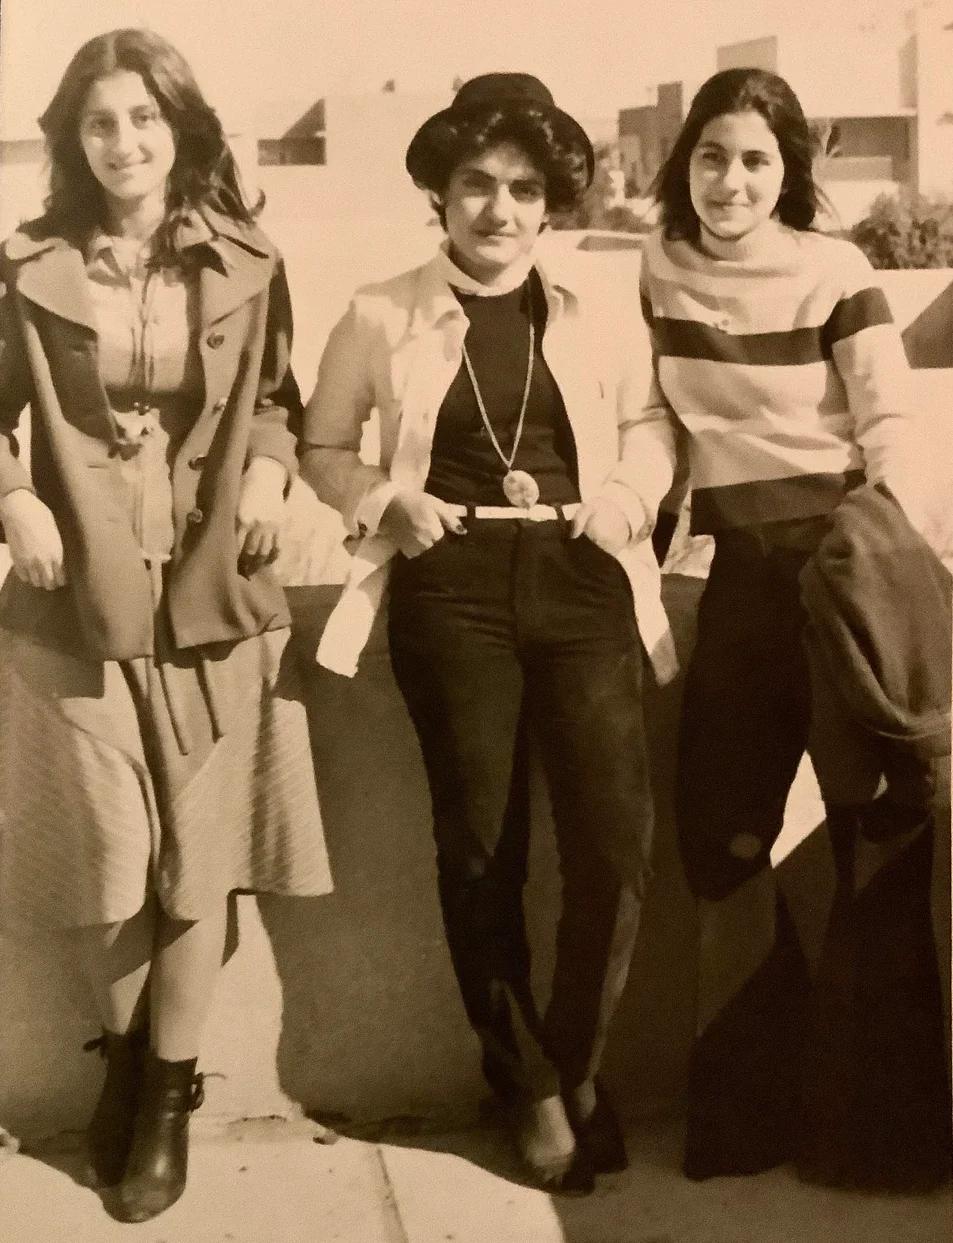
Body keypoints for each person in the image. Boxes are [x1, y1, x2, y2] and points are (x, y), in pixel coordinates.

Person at [300, 73, 677, 1192]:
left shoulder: (601, 305)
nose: (498, 210)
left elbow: (653, 424)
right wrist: (383, 503)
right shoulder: (377, 311)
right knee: (481, 846)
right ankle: (525, 1084)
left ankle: (578, 1063)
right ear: (440, 193)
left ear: (551, 199)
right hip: (448, 590)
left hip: (583, 579)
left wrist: (626, 495)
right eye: (475, 185)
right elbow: (322, 447)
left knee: (613, 842)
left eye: (522, 188)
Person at [0, 29, 331, 1222]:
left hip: (211, 602)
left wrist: (270, 477)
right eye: (99, 122)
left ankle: (168, 1099)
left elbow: (283, 403)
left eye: (144, 118)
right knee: (101, 861)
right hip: (71, 600)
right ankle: (128, 1060)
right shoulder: (27, 264)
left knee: (200, 865)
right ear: (72, 140)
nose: (123, 142)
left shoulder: (248, 258)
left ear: (180, 128)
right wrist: (13, 494)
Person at [641, 66, 951, 1189]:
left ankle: (880, 1134)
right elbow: (655, 423)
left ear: (789, 173)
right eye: (712, 156)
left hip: (838, 563)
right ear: (685, 163)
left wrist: (879, 571)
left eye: (756, 160)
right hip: (733, 579)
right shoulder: (654, 264)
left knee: (880, 837)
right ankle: (750, 1106)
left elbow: (890, 428)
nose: (730, 180)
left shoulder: (835, 268)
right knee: (719, 838)